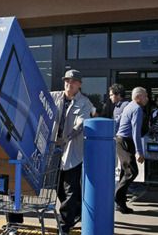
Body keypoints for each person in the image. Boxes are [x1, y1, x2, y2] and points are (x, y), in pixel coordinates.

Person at [51, 69, 95, 234]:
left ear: (79, 84)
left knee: (70, 187)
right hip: (53, 151)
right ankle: (75, 212)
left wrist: (66, 137)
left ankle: (64, 225)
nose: (69, 84)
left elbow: (82, 122)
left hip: (72, 151)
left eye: (73, 81)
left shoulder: (85, 102)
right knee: (57, 186)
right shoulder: (54, 97)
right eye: (67, 81)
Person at [115, 87, 148, 214]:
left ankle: (121, 204)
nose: (147, 99)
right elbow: (136, 132)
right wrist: (139, 151)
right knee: (132, 172)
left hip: (120, 140)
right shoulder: (137, 109)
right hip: (126, 141)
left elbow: (118, 122)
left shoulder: (128, 106)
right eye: (145, 96)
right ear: (138, 97)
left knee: (125, 172)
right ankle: (117, 196)